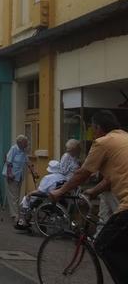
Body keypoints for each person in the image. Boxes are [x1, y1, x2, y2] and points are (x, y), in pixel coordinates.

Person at [50, 110, 128, 283]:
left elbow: (83, 173)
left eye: (92, 129)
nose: (92, 134)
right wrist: (93, 191)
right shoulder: (124, 139)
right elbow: (110, 179)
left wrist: (60, 191)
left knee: (103, 244)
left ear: (98, 128)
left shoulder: (103, 142)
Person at [14, 160, 66, 229]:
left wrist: (29, 194)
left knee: (26, 199)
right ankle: (28, 219)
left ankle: (23, 221)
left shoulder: (48, 178)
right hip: (60, 200)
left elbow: (40, 191)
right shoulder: (63, 177)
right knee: (31, 198)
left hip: (47, 199)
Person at [2, 135, 36, 220]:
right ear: (20, 142)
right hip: (11, 175)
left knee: (17, 195)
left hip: (19, 175)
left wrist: (34, 172)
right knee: (14, 196)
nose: (27, 143)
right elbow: (8, 161)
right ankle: (15, 215)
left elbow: (27, 161)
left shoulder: (23, 150)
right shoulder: (14, 149)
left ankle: (16, 213)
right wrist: (9, 174)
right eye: (26, 142)